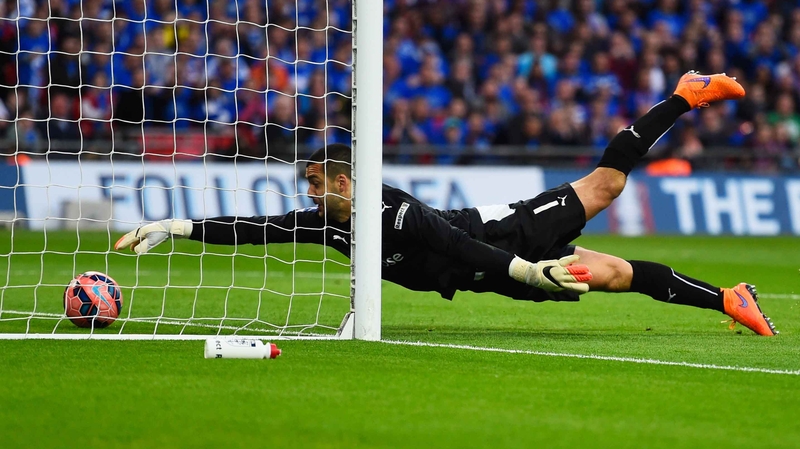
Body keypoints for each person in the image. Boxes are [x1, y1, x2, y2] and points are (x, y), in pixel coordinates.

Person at [115, 71, 777, 336]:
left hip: (501, 237)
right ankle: (728, 295)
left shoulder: (391, 210)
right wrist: (173, 226)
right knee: (617, 274)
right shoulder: (328, 225)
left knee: (607, 184)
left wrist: (522, 268)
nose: (309, 195)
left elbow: (457, 246)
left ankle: (685, 95)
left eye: (316, 183)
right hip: (493, 273)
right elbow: (253, 228)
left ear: (344, 182)